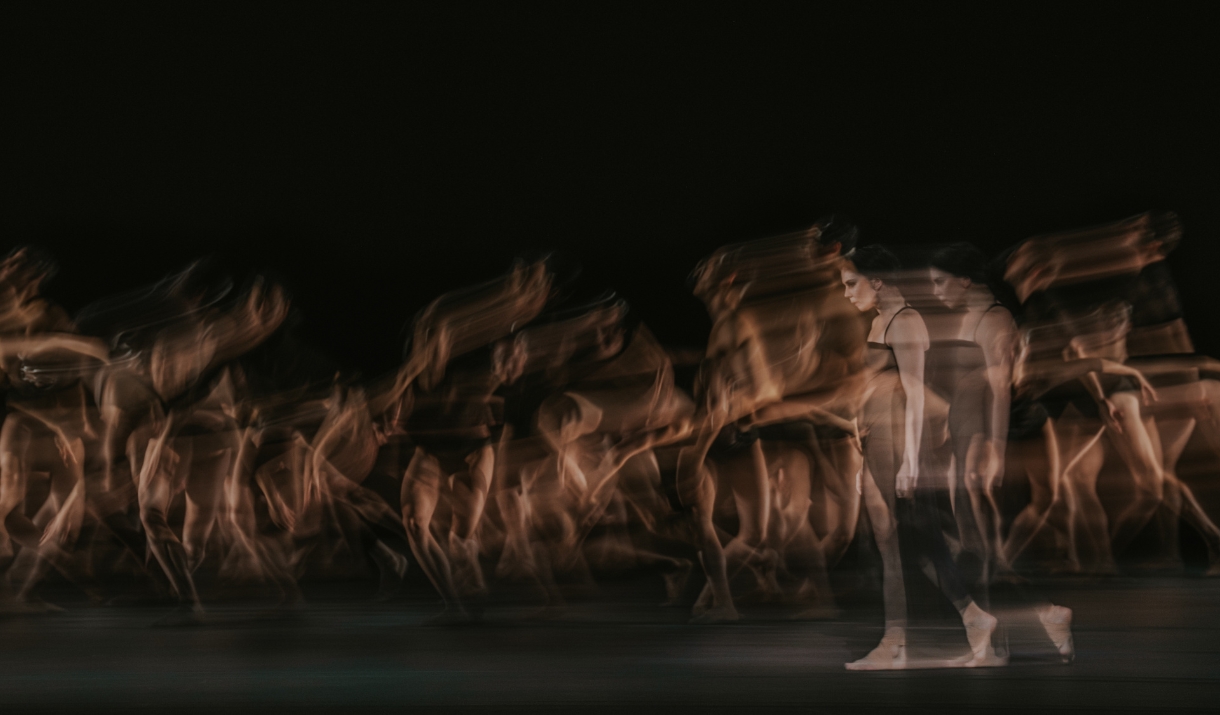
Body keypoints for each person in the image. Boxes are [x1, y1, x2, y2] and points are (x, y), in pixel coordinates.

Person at [842, 245, 1002, 670]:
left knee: (906, 541)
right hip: (875, 440)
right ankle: (967, 620)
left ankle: (900, 639)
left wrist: (911, 460)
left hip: (896, 442)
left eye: (851, 283)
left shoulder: (905, 321)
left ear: (876, 280)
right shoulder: (878, 321)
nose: (846, 293)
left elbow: (915, 394)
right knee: (896, 540)